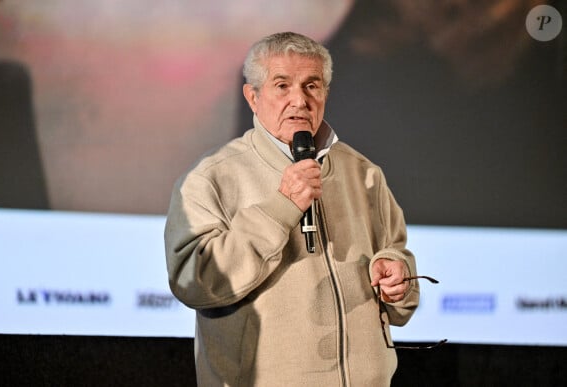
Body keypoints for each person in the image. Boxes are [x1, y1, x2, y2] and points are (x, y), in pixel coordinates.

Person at [165, 31, 419, 386]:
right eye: (282, 85)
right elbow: (194, 281)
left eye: (311, 86)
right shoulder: (211, 178)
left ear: (325, 94)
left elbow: (397, 259)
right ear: (253, 97)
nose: (299, 100)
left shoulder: (364, 174)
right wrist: (281, 207)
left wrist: (396, 276)